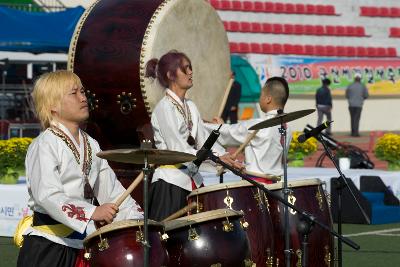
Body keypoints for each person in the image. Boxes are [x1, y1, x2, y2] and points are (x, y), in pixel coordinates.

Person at [17, 70, 143, 267]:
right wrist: (92, 212)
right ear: (52, 106)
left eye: (83, 92)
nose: (83, 97)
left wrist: (136, 220)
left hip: (82, 245)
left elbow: (112, 190)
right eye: (74, 93)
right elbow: (47, 195)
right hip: (48, 248)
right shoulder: (45, 144)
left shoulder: (91, 144)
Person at [145, 50, 243, 221]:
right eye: (185, 68)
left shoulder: (190, 106)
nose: (191, 72)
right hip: (170, 184)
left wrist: (225, 158)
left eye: (190, 67)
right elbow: (179, 150)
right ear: (170, 75)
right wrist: (216, 159)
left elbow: (204, 140)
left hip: (191, 181)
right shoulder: (164, 108)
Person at [206, 77, 292, 183]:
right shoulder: (286, 127)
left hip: (256, 184)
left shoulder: (258, 126)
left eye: (261, 95)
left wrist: (203, 125)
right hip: (278, 185)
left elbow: (228, 133)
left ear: (268, 99)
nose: (259, 99)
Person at [346, 73, 369, 137]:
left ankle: (353, 132)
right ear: (360, 79)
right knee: (357, 119)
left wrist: (351, 99)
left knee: (352, 118)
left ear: (354, 79)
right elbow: (366, 95)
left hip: (351, 105)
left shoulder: (350, 85)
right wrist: (362, 99)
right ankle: (356, 133)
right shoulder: (363, 86)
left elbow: (347, 95)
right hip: (359, 105)